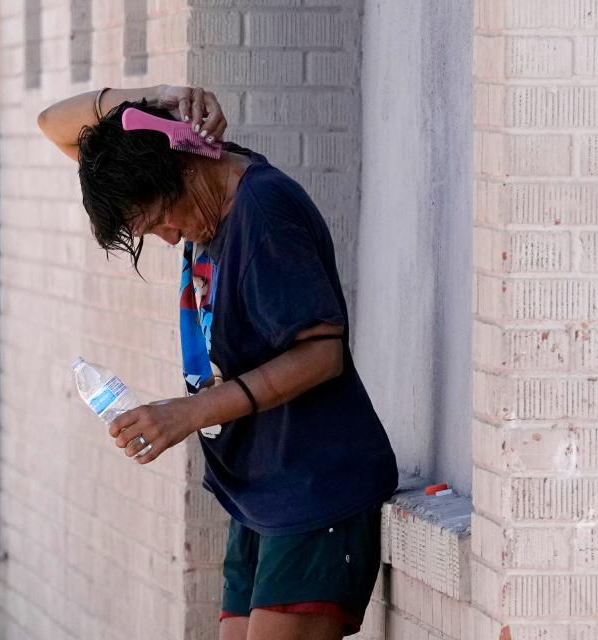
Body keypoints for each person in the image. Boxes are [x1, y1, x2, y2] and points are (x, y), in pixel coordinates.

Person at [38, 85, 399, 640]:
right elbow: (53, 125)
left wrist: (189, 412)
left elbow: (322, 352)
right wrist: (156, 99)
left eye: (162, 218)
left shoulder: (262, 210)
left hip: (315, 489)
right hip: (261, 497)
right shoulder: (192, 187)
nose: (167, 237)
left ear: (184, 161)